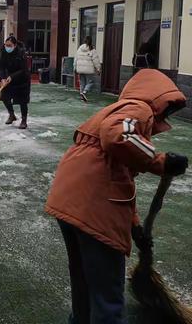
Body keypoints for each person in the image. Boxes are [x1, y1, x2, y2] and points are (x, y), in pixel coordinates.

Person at [45, 69, 188, 324]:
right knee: (107, 292)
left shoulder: (118, 110)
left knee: (84, 280)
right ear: (158, 97)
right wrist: (160, 162)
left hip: (68, 200)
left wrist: (135, 228)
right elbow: (117, 136)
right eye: (168, 106)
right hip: (93, 206)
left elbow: (120, 179)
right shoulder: (139, 107)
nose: (166, 115)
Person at [0, 36, 31, 129]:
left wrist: (11, 77)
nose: (7, 47)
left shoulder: (21, 53)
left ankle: (24, 121)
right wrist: (2, 78)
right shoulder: (4, 52)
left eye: (9, 45)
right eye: (6, 45)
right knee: (4, 97)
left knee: (22, 101)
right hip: (9, 79)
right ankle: (12, 115)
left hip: (22, 80)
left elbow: (23, 69)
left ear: (15, 45)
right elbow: (1, 67)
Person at [74, 36, 101, 102]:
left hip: (80, 69)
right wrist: (98, 69)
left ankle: (81, 94)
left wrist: (75, 67)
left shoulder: (80, 49)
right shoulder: (92, 50)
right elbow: (96, 61)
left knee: (82, 83)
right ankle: (84, 92)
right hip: (88, 70)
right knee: (91, 82)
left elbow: (76, 58)